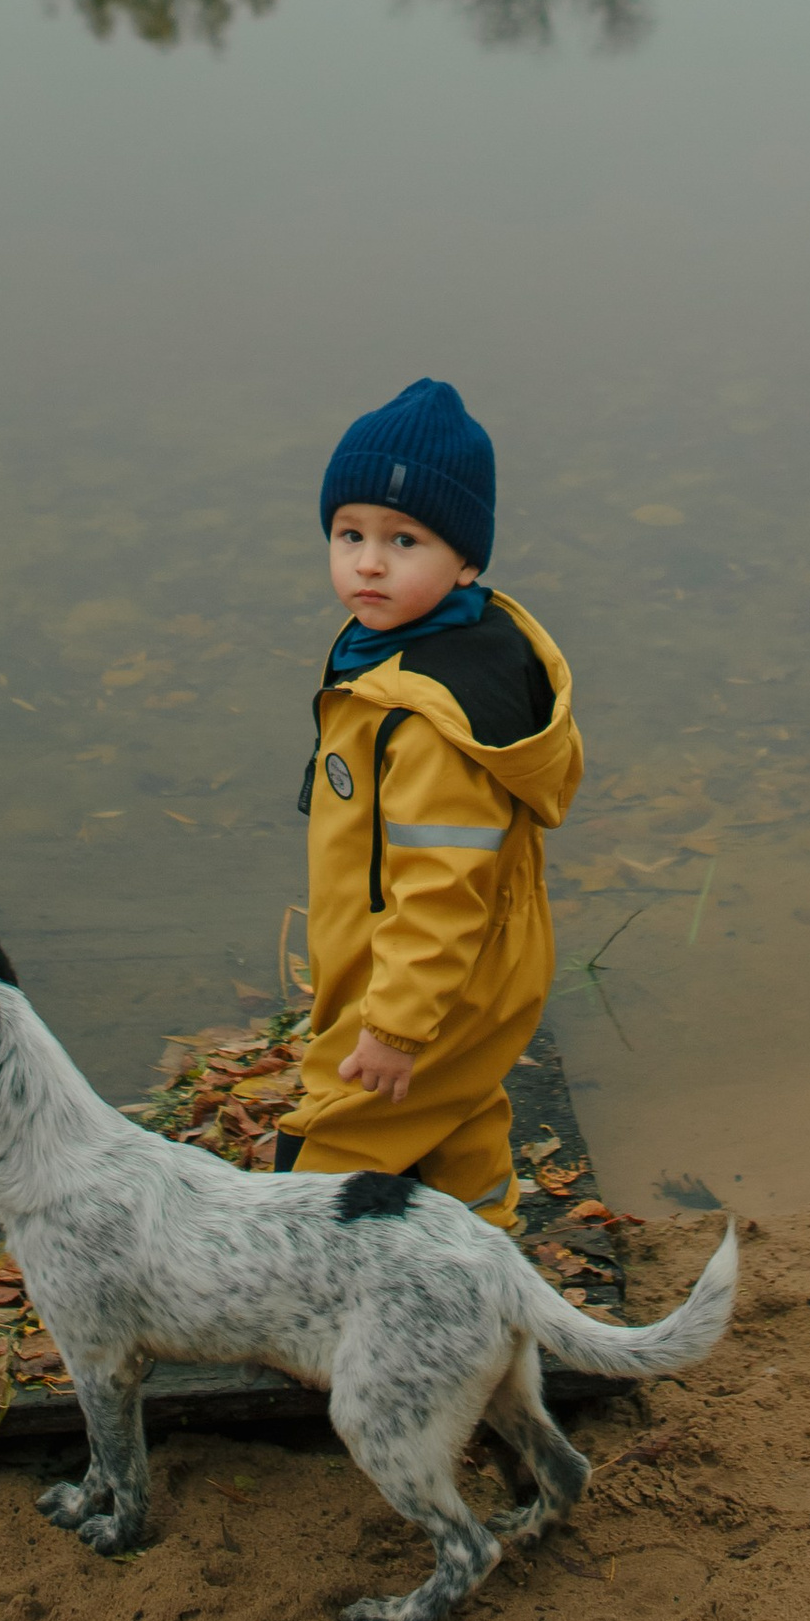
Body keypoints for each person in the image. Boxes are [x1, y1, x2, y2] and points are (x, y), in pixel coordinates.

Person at [273, 379, 582, 1225]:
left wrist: (396, 1026)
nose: (368, 562)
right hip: (465, 980)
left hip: (425, 984)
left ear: (466, 562)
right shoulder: (397, 648)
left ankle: (313, 1321)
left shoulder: (432, 719)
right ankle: (485, 1242)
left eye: (403, 540)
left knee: (326, 1143)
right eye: (350, 534)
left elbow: (444, 889)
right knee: (453, 1115)